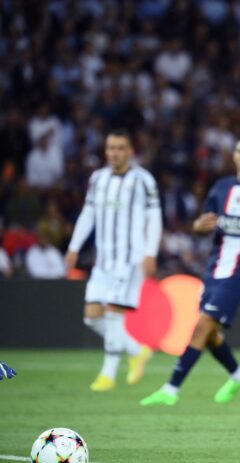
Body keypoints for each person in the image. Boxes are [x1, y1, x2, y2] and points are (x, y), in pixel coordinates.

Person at [141, 135, 240, 406]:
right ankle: (236, 374)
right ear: (235, 156)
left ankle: (170, 389)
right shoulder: (221, 188)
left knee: (203, 325)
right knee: (210, 334)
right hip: (214, 269)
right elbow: (202, 223)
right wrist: (197, 226)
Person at [65, 129, 161, 391]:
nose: (115, 153)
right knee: (92, 316)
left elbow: (154, 217)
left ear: (130, 151)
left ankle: (107, 375)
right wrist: (74, 246)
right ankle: (137, 350)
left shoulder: (143, 180)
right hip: (104, 260)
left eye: (120, 148)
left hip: (130, 259)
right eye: (111, 148)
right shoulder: (98, 178)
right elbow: (88, 213)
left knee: (113, 314)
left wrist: (150, 252)